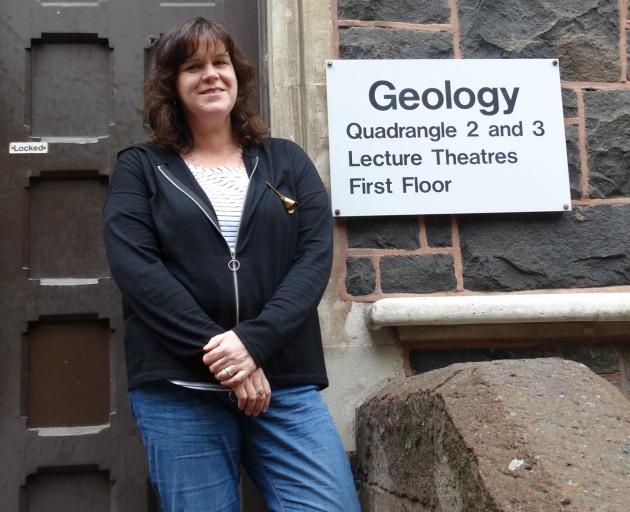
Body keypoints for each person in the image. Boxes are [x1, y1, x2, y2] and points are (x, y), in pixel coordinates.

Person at [103, 16, 360, 512]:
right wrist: (229, 359)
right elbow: (138, 271)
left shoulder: (286, 161)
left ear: (237, 75)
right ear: (173, 85)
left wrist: (255, 343)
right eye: (193, 66)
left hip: (281, 380)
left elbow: (312, 260)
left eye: (220, 62)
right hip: (181, 386)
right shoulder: (140, 168)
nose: (211, 75)